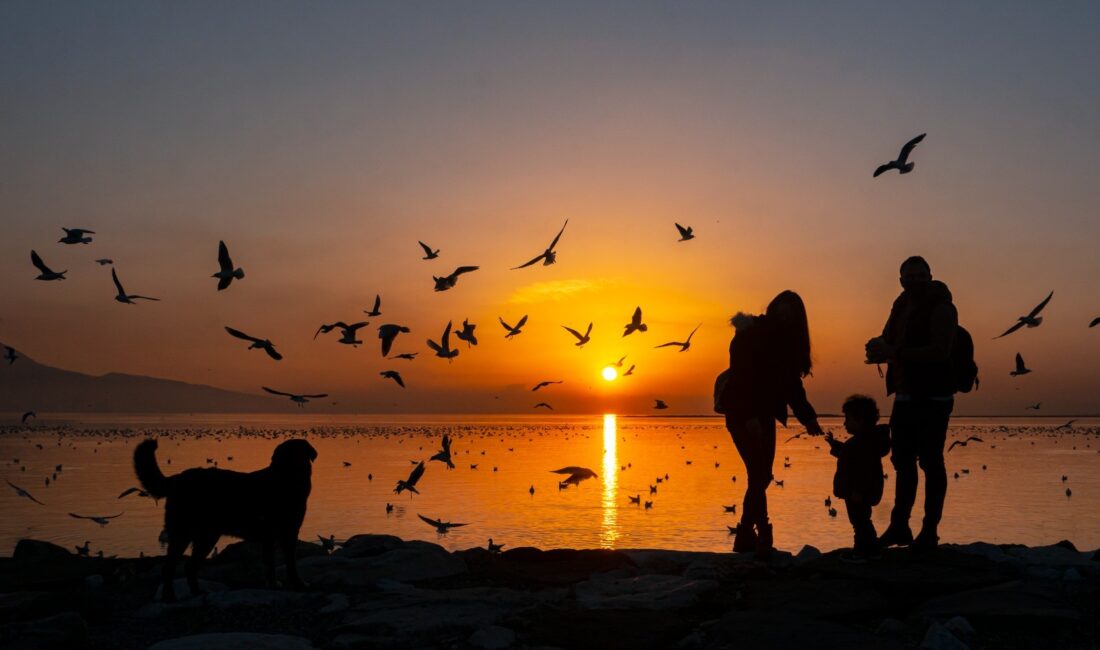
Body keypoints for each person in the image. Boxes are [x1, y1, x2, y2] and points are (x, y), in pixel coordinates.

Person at [720, 290, 825, 556]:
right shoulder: (751, 332)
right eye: (781, 308)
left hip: (765, 414)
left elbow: (792, 387)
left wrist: (808, 418)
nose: (784, 315)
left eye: (791, 311)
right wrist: (751, 416)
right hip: (742, 412)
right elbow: (742, 375)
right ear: (773, 308)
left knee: (760, 475)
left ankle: (754, 537)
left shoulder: (790, 343)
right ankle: (750, 534)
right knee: (761, 474)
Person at [865, 256, 957, 550]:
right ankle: (899, 526)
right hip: (904, 395)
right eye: (909, 276)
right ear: (901, 280)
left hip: (934, 396)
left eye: (920, 275)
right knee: (902, 462)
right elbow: (890, 339)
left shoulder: (943, 307)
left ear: (930, 276)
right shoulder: (900, 305)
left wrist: (893, 351)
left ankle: (929, 532)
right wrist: (878, 347)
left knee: (931, 462)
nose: (915, 280)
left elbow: (939, 352)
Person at [826, 395, 891, 562]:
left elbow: (864, 470)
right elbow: (849, 456)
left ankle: (862, 551)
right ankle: (872, 549)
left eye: (847, 419)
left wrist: (858, 490)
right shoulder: (862, 442)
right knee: (862, 520)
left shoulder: (862, 444)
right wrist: (835, 445)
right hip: (855, 490)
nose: (844, 423)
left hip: (857, 492)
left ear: (860, 420)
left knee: (860, 522)